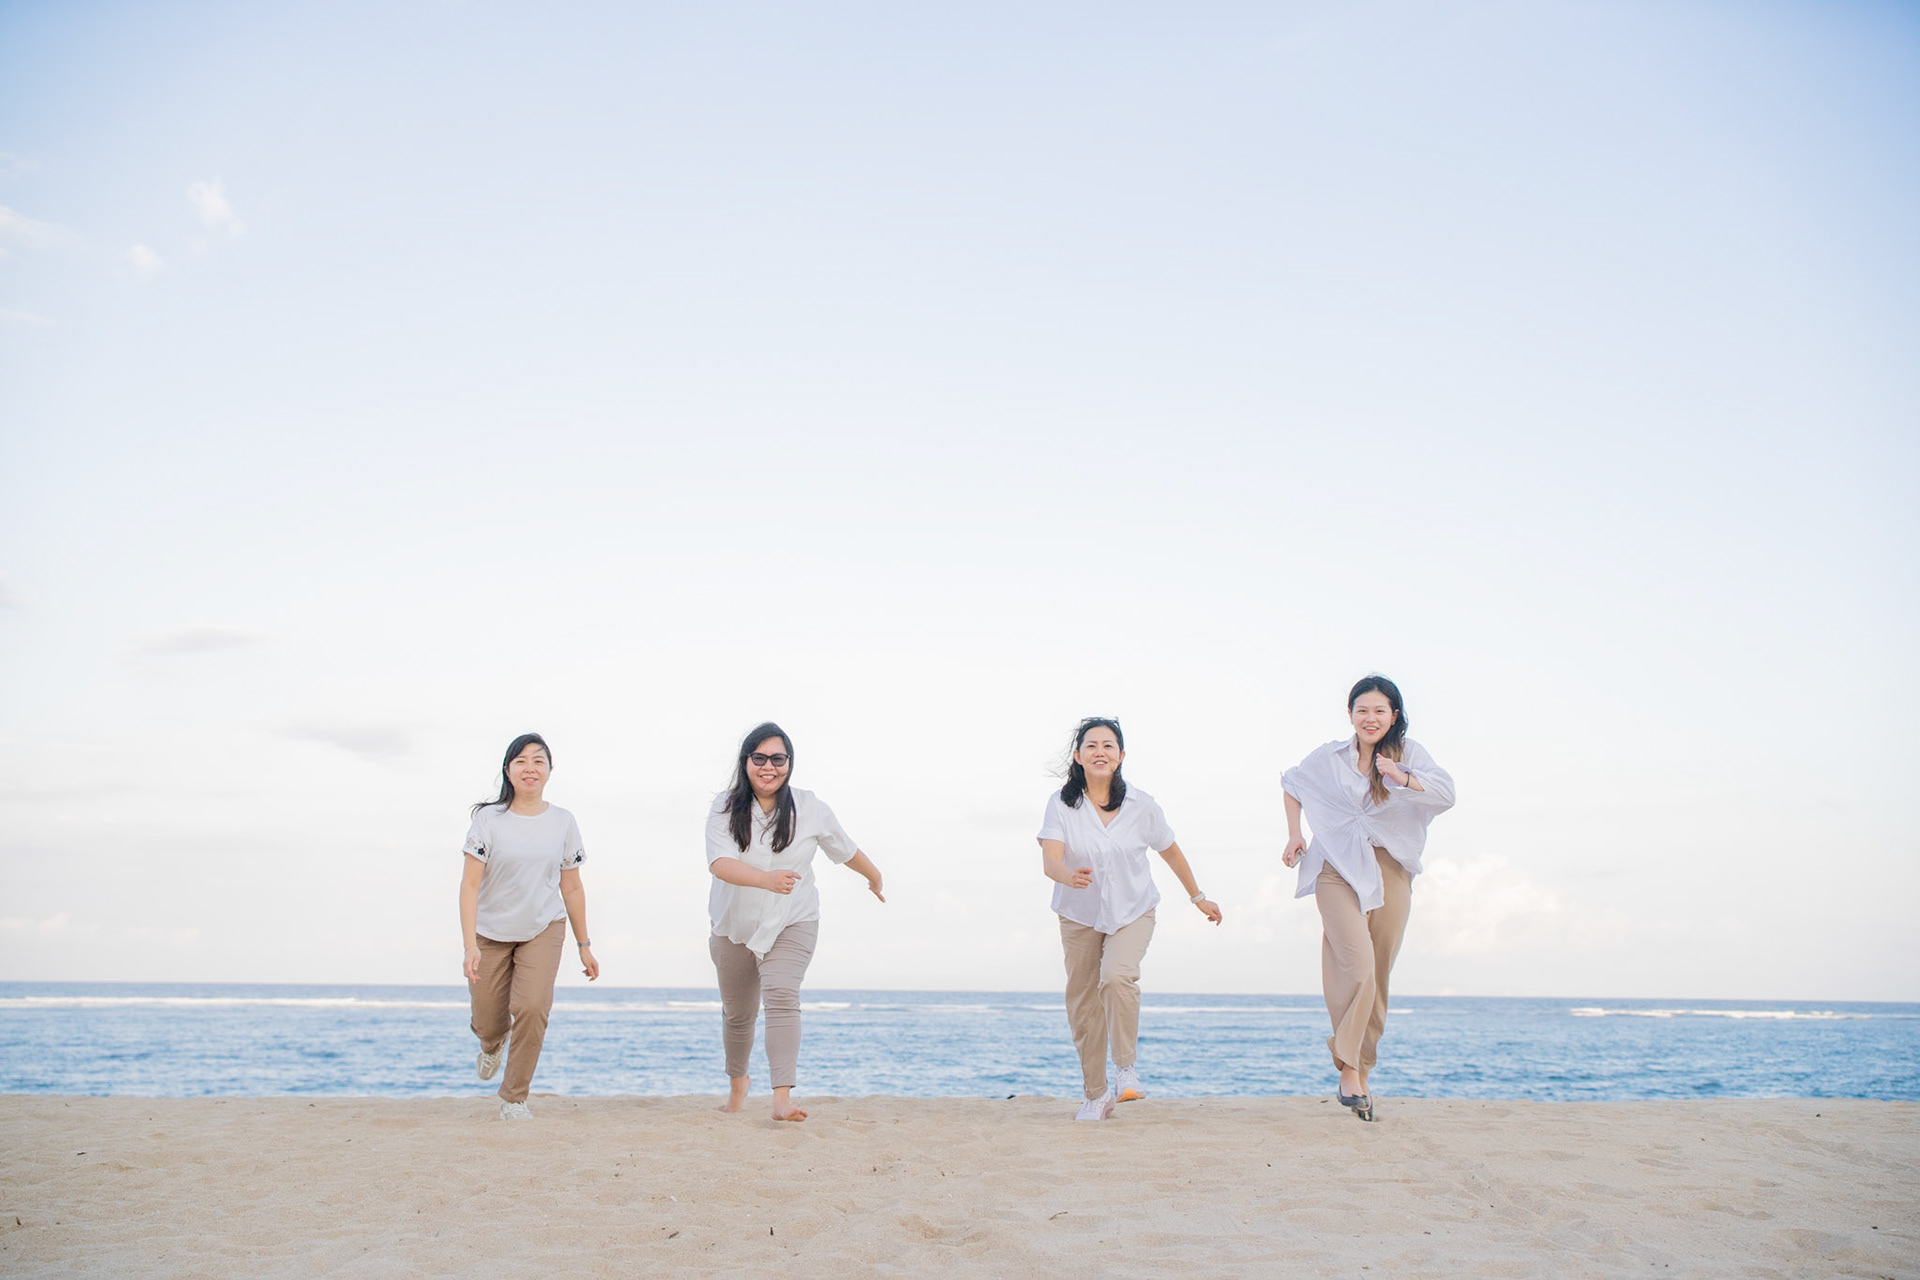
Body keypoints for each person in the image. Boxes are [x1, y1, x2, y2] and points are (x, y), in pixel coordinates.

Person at [1282, 676, 1454, 1122]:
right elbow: (1292, 783)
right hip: (1335, 867)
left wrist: (1402, 776)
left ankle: (1360, 1070)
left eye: (1379, 711)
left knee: (1376, 975)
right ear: (1350, 715)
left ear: (1394, 715)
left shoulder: (1411, 754)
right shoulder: (1329, 757)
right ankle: (1349, 1068)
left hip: (1389, 869)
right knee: (1356, 966)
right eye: (1362, 710)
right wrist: (1295, 834)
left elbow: (1447, 795)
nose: (1370, 718)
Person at [1038, 717, 1222, 1122]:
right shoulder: (1062, 804)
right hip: (1079, 914)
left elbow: (1170, 851)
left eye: (1108, 745)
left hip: (1133, 910)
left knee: (1117, 977)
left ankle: (1125, 1069)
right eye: (1091, 746)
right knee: (1083, 1005)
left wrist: (1198, 897)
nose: (1100, 752)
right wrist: (1068, 875)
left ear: (1121, 756)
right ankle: (1096, 1094)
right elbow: (1050, 859)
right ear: (1078, 756)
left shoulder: (1142, 805)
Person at [706, 722, 885, 1122]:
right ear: (746, 761)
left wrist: (873, 876)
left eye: (778, 758)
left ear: (789, 763)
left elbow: (845, 848)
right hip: (734, 925)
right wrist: (765, 880)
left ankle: (781, 1099)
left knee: (782, 995)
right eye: (759, 758)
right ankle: (738, 1083)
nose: (768, 767)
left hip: (793, 919)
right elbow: (719, 863)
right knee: (738, 1013)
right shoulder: (724, 806)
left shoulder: (809, 807)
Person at [459, 732, 599, 1121]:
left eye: (538, 761)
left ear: (550, 770)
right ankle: (491, 1044)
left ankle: (515, 1098)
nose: (530, 768)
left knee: (533, 1007)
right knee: (488, 1020)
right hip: (490, 933)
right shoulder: (488, 820)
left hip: (543, 927)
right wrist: (470, 945)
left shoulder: (563, 822)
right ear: (508, 770)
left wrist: (584, 945)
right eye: (521, 761)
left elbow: (572, 887)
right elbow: (469, 885)